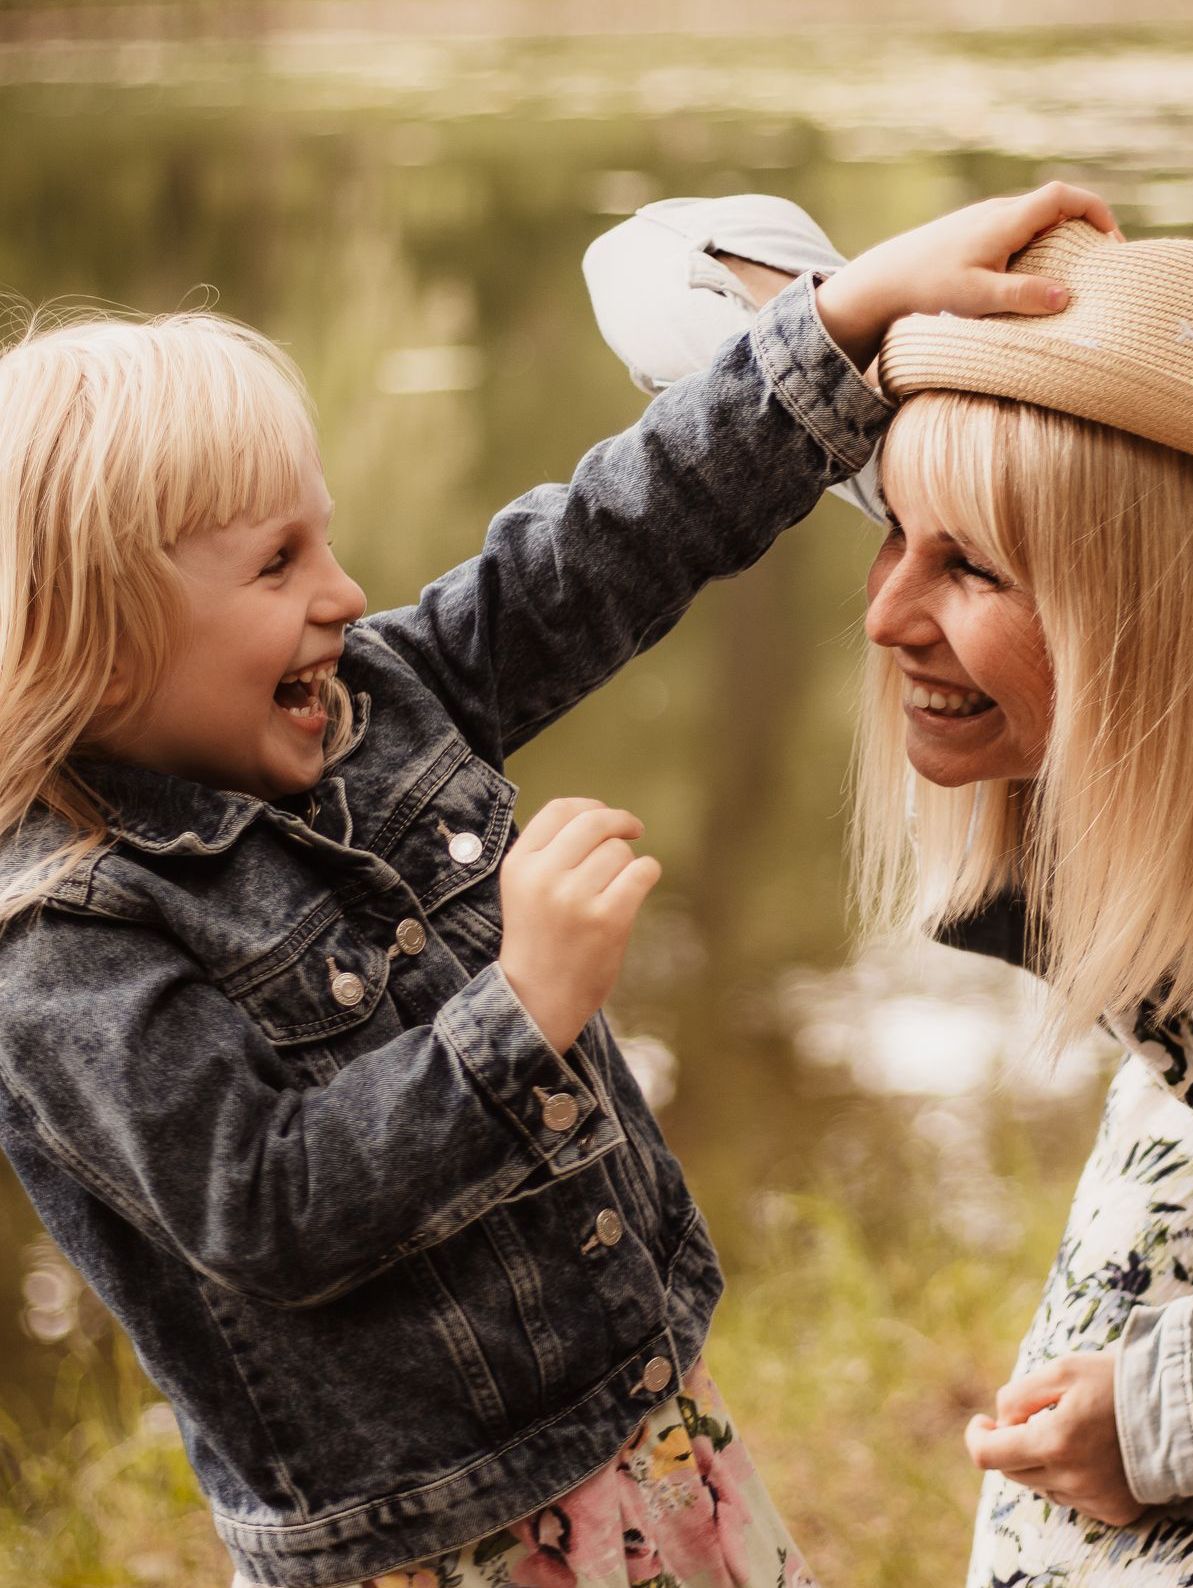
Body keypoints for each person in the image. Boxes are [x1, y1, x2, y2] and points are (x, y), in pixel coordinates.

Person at [0, 181, 1120, 1588]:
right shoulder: (65, 945)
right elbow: (269, 1209)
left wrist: (840, 322)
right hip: (439, 1547)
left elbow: (599, 548)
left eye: (325, 537)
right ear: (99, 646)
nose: (344, 595)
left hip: (642, 1434)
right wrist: (516, 1011)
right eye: (278, 563)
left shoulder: (369, 702)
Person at [585, 197, 1193, 1582]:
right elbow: (643, 268)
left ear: (1153, 627)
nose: (883, 615)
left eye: (965, 570)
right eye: (901, 533)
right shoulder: (1120, 471)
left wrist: (1186, 1412)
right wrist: (855, 301)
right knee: (1045, 1521)